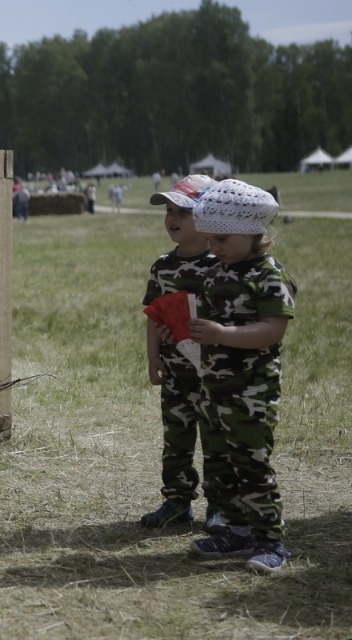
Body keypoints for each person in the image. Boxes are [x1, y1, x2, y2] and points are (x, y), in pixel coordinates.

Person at [187, 179, 297, 574]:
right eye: (210, 241)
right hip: (214, 388)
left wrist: (221, 334)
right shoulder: (218, 271)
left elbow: (273, 328)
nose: (214, 248)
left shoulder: (267, 275)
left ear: (252, 231)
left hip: (252, 391)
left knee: (252, 464)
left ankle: (271, 540)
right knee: (220, 462)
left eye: (220, 239)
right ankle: (235, 529)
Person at [141, 174, 226, 533]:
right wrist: (153, 357)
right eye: (169, 211)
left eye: (183, 211)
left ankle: (220, 507)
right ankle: (177, 502)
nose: (172, 218)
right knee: (176, 439)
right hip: (176, 372)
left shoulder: (221, 264)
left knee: (215, 440)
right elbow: (153, 313)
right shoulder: (163, 266)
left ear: (207, 216)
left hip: (215, 373)